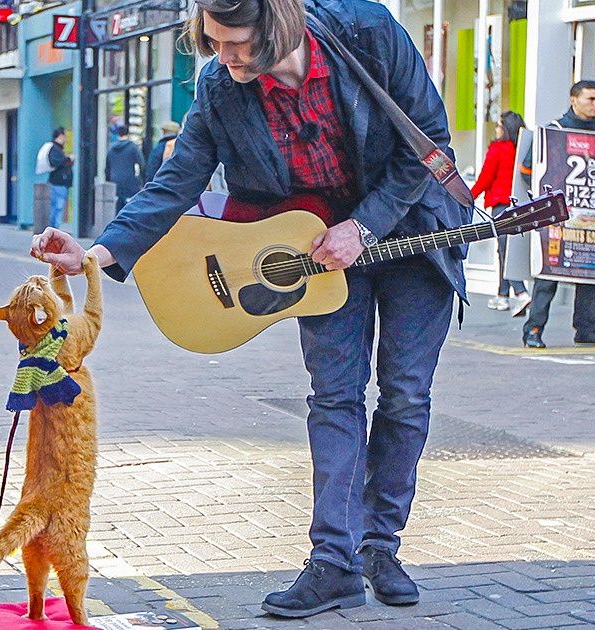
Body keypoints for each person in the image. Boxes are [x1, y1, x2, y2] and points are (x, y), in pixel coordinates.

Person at [32, 0, 468, 618]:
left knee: (403, 395)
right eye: (215, 42)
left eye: (237, 43)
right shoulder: (221, 85)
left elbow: (427, 146)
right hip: (312, 252)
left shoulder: (368, 32)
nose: (225, 57)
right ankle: (334, 563)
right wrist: (98, 253)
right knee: (335, 397)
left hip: (408, 234)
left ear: (278, 24)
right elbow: (178, 178)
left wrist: (364, 227)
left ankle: (381, 546)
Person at [519, 80, 595, 349]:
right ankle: (533, 328)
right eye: (592, 99)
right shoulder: (553, 133)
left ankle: (588, 328)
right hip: (558, 219)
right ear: (573, 100)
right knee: (548, 275)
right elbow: (527, 172)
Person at [471, 111, 529, 312]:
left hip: (501, 205)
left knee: (505, 250)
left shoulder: (498, 149)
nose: (496, 129)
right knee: (505, 249)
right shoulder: (524, 148)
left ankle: (521, 293)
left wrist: (468, 196)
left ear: (505, 128)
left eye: (498, 125)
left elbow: (485, 178)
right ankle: (502, 295)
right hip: (522, 204)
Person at [105, 126, 145, 212]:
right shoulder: (133, 147)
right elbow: (141, 164)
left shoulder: (111, 148)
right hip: (129, 181)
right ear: (128, 133)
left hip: (114, 181)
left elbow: (107, 168)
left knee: (117, 207)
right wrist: (142, 181)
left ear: (118, 133)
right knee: (129, 208)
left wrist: (108, 180)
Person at [46, 127, 74, 230]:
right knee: (58, 207)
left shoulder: (58, 148)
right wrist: (68, 159)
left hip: (60, 183)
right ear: (61, 136)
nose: (66, 138)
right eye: (65, 135)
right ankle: (54, 230)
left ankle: (54, 229)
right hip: (58, 183)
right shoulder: (55, 149)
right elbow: (56, 162)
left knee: (57, 207)